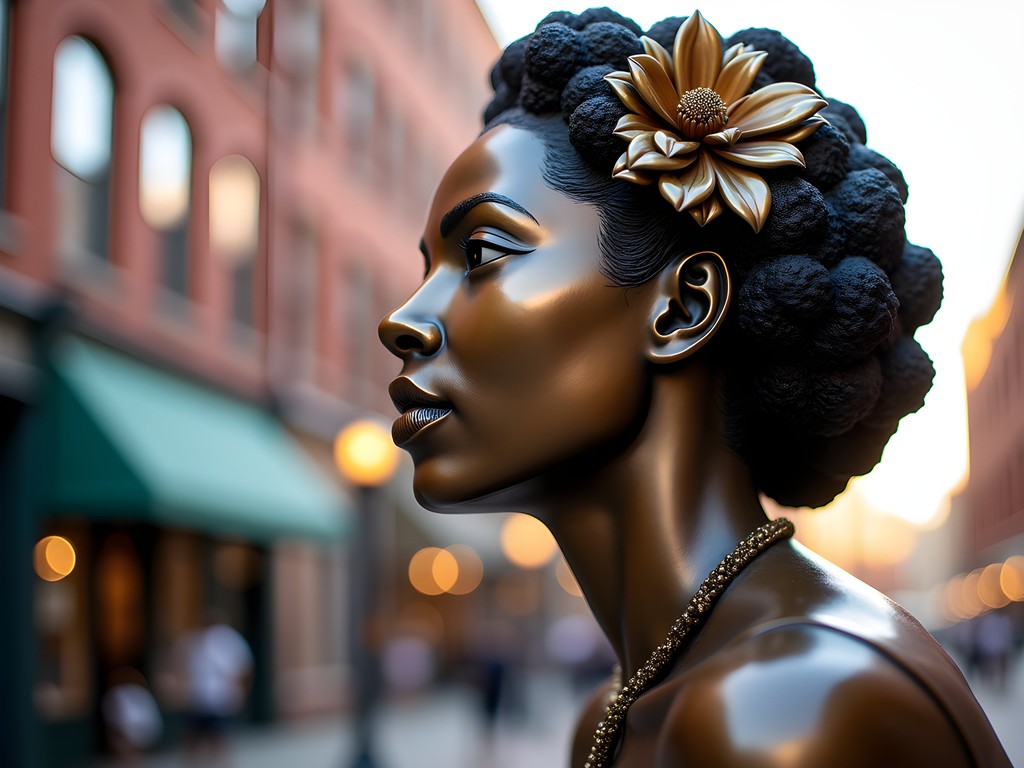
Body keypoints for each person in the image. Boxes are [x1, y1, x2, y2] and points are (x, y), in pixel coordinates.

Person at [379, 8, 1011, 767]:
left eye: (481, 251)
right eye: (426, 268)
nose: (403, 320)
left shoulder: (792, 711)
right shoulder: (620, 710)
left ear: (683, 308)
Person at [181, 612, 253, 766]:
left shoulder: (226, 639)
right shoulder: (194, 640)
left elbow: (242, 668)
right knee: (195, 739)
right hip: (200, 699)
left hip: (218, 698)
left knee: (217, 738)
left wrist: (239, 694)